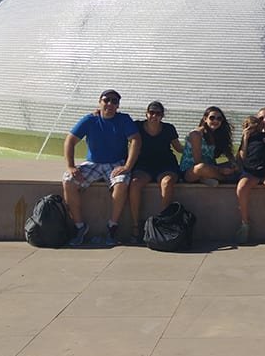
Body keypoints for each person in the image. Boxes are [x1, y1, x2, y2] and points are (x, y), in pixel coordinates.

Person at [62, 89, 141, 246]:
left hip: (115, 163)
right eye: (106, 100)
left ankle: (112, 227)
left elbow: (136, 140)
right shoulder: (89, 120)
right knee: (68, 181)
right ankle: (80, 227)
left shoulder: (123, 119)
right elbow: (70, 141)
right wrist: (71, 166)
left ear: (118, 105)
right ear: (100, 102)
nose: (110, 104)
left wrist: (127, 166)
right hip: (93, 163)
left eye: (114, 101)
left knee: (122, 183)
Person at [129, 101, 182, 242]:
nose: (154, 116)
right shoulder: (137, 126)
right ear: (146, 113)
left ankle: (164, 222)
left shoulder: (169, 128)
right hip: (144, 164)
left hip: (165, 164)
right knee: (134, 183)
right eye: (151, 112)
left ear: (162, 115)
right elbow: (120, 125)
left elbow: (179, 148)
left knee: (167, 182)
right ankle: (136, 225)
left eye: (158, 113)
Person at [235, 114, 265, 244]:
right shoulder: (245, 139)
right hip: (251, 172)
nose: (251, 130)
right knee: (241, 188)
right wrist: (245, 138)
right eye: (247, 127)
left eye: (253, 127)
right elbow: (242, 157)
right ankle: (245, 223)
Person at [179, 106, 238, 185]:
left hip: (211, 167)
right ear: (205, 119)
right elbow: (198, 162)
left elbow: (228, 152)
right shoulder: (196, 134)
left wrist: (233, 163)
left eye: (219, 118)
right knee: (201, 168)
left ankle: (208, 178)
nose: (215, 121)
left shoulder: (217, 134)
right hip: (191, 171)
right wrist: (220, 170)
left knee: (238, 163)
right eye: (212, 118)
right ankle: (226, 179)